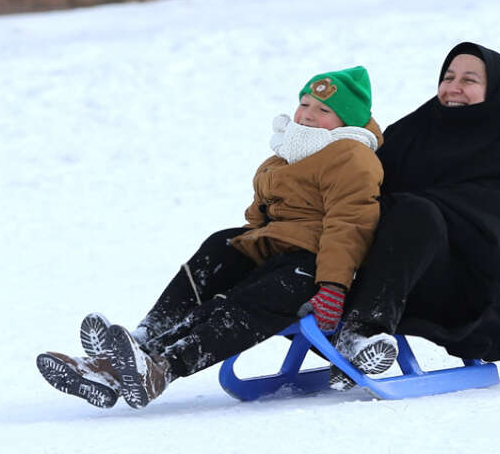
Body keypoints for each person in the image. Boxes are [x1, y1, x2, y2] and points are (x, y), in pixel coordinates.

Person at [36, 66, 384, 409]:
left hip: (316, 263)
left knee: (239, 303)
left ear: (346, 122)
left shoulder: (351, 155)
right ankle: (137, 345)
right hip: (276, 250)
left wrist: (334, 288)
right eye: (305, 103)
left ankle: (163, 366)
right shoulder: (285, 154)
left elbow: (350, 224)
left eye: (324, 110)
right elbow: (258, 216)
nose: (308, 115)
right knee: (222, 245)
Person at [327, 42, 500, 390]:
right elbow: (362, 175)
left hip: (467, 287)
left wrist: (395, 207)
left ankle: (360, 334)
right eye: (448, 76)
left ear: (493, 92)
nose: (454, 87)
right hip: (389, 272)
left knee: (415, 212)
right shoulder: (416, 130)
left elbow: (498, 234)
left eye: (470, 80)